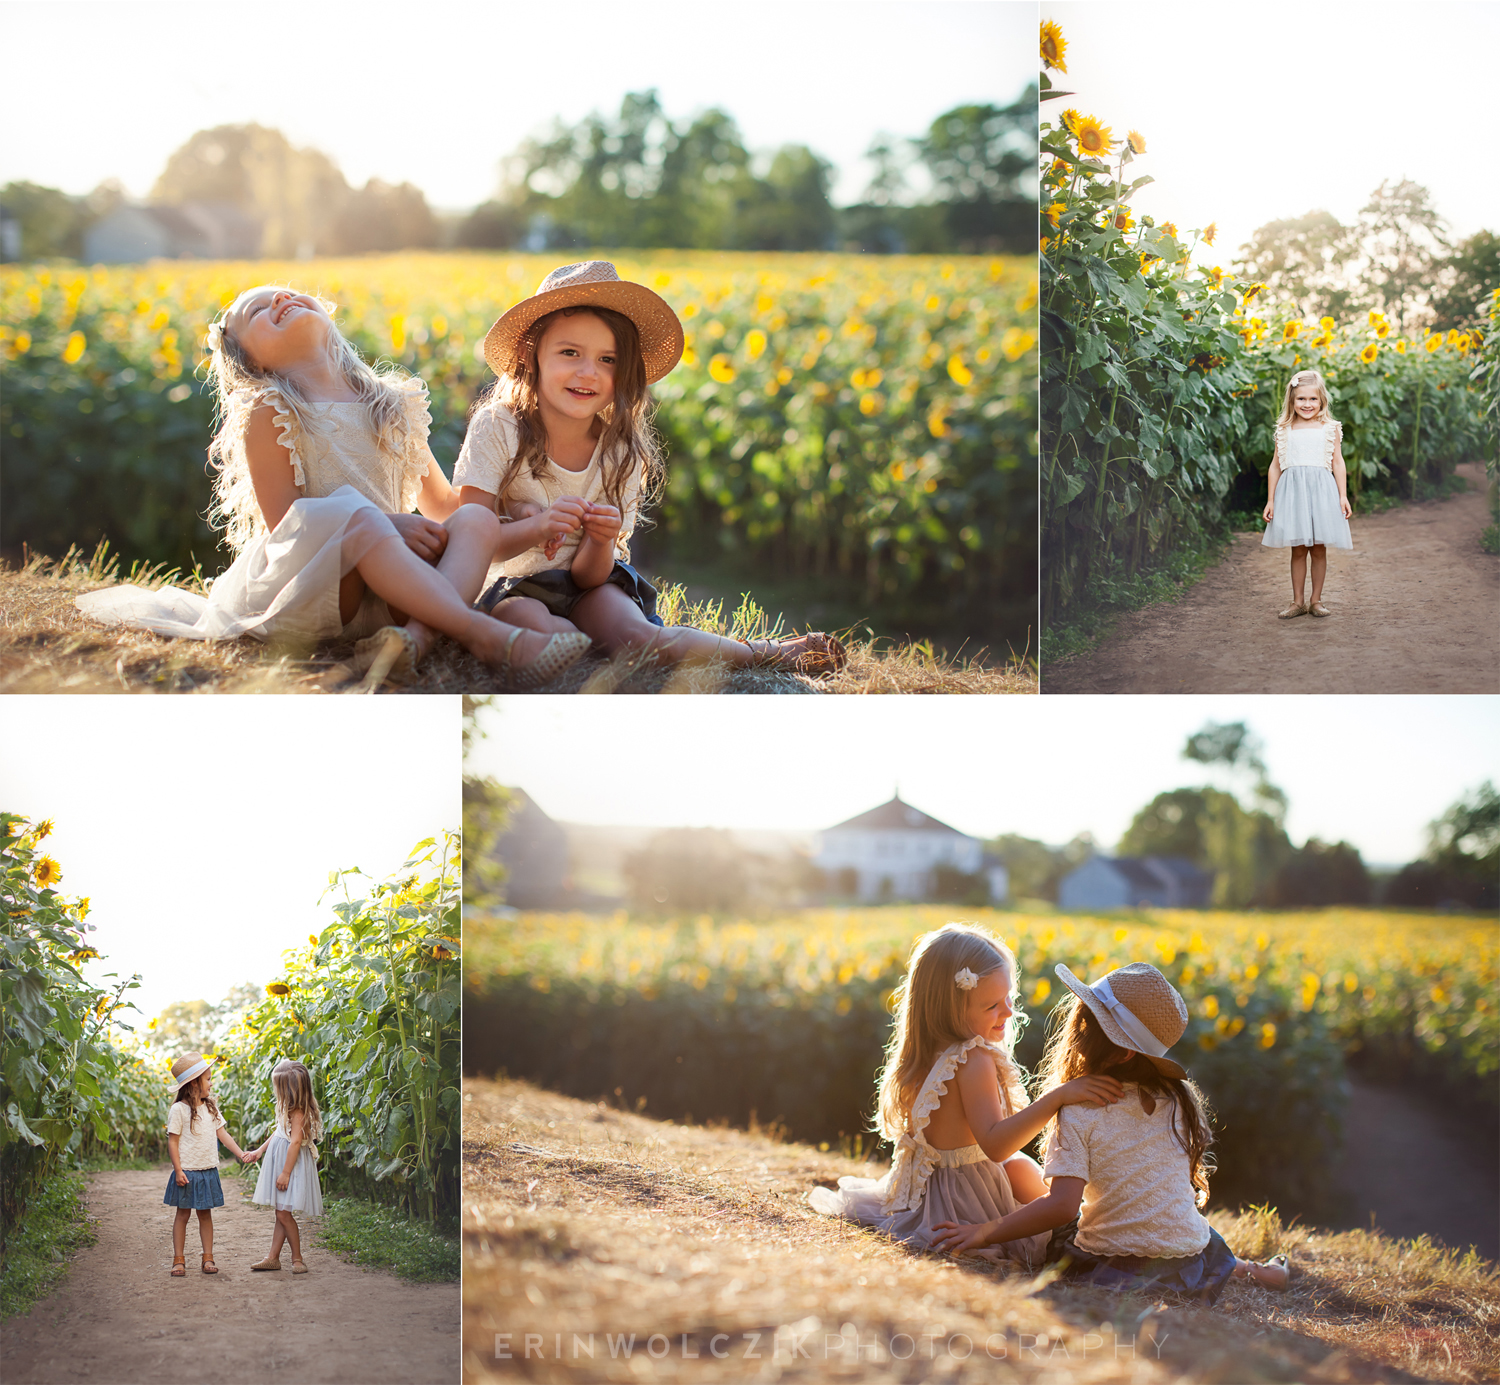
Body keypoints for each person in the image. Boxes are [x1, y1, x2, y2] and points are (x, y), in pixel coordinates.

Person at [74, 285, 591, 689]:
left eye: (284, 293)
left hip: (397, 594)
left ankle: (415, 638)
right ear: (251, 361)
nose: (279, 299)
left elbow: (444, 509)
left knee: (475, 518)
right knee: (357, 514)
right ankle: (487, 637)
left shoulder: (393, 405)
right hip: (322, 587)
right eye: (257, 311)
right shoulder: (270, 410)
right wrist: (387, 524)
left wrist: (519, 517)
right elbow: (287, 525)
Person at [454, 261, 846, 676]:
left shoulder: (620, 449)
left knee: (640, 641)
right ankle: (579, 648)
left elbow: (590, 578)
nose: (588, 372)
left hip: (591, 589)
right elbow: (471, 540)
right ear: (528, 354)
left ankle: (763, 652)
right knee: (531, 627)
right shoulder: (500, 425)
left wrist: (601, 542)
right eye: (570, 353)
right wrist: (536, 527)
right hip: (515, 585)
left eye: (607, 359)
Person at [930, 962, 1290, 1304]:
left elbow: (1061, 1207)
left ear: (1119, 1054)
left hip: (1113, 1268)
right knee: (1193, 1230)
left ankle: (1247, 1268)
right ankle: (1252, 1270)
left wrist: (984, 1231)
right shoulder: (1179, 1102)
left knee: (1062, 1229)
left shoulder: (1080, 1107)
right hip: (1189, 1265)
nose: (1076, 1027)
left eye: (1086, 1021)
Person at [809, 923, 1123, 1267]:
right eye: (991, 1006)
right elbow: (996, 1144)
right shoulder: (973, 1058)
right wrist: (1058, 1096)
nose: (1007, 1011)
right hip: (966, 1200)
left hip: (933, 1193)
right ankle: (1098, 1225)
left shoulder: (927, 1053)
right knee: (1019, 1169)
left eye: (1009, 999)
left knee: (1018, 1168)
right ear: (951, 1008)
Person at [1261, 369, 1353, 619]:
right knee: (1298, 549)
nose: (1307, 404)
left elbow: (1338, 463)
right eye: (1301, 399)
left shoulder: (1329, 428)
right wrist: (1271, 500)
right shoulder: (1284, 429)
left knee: (1319, 548)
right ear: (1291, 399)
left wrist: (1342, 495)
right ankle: (1297, 601)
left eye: (1313, 399)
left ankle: (1316, 601)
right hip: (1293, 495)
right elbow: (1275, 465)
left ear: (1322, 400)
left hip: (1322, 493)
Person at [164, 1052, 253, 1276]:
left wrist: (241, 1153)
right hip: (187, 1173)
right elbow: (173, 1142)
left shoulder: (210, 1108)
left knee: (205, 1215)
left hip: (207, 1171)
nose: (211, 1084)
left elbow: (223, 1135)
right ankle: (178, 1259)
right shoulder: (178, 1110)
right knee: (182, 1215)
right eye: (208, 1079)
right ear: (195, 1083)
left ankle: (208, 1257)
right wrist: (177, 1170)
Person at [244, 1058, 324, 1274]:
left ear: (289, 1090)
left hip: (291, 1166)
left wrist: (285, 1173)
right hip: (281, 1161)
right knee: (281, 1212)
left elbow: (296, 1142)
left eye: (279, 1087)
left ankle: (297, 1258)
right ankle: (273, 1257)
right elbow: (280, 1131)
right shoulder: (288, 1108)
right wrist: (259, 1151)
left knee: (282, 1214)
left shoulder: (299, 1112)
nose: (276, 1092)